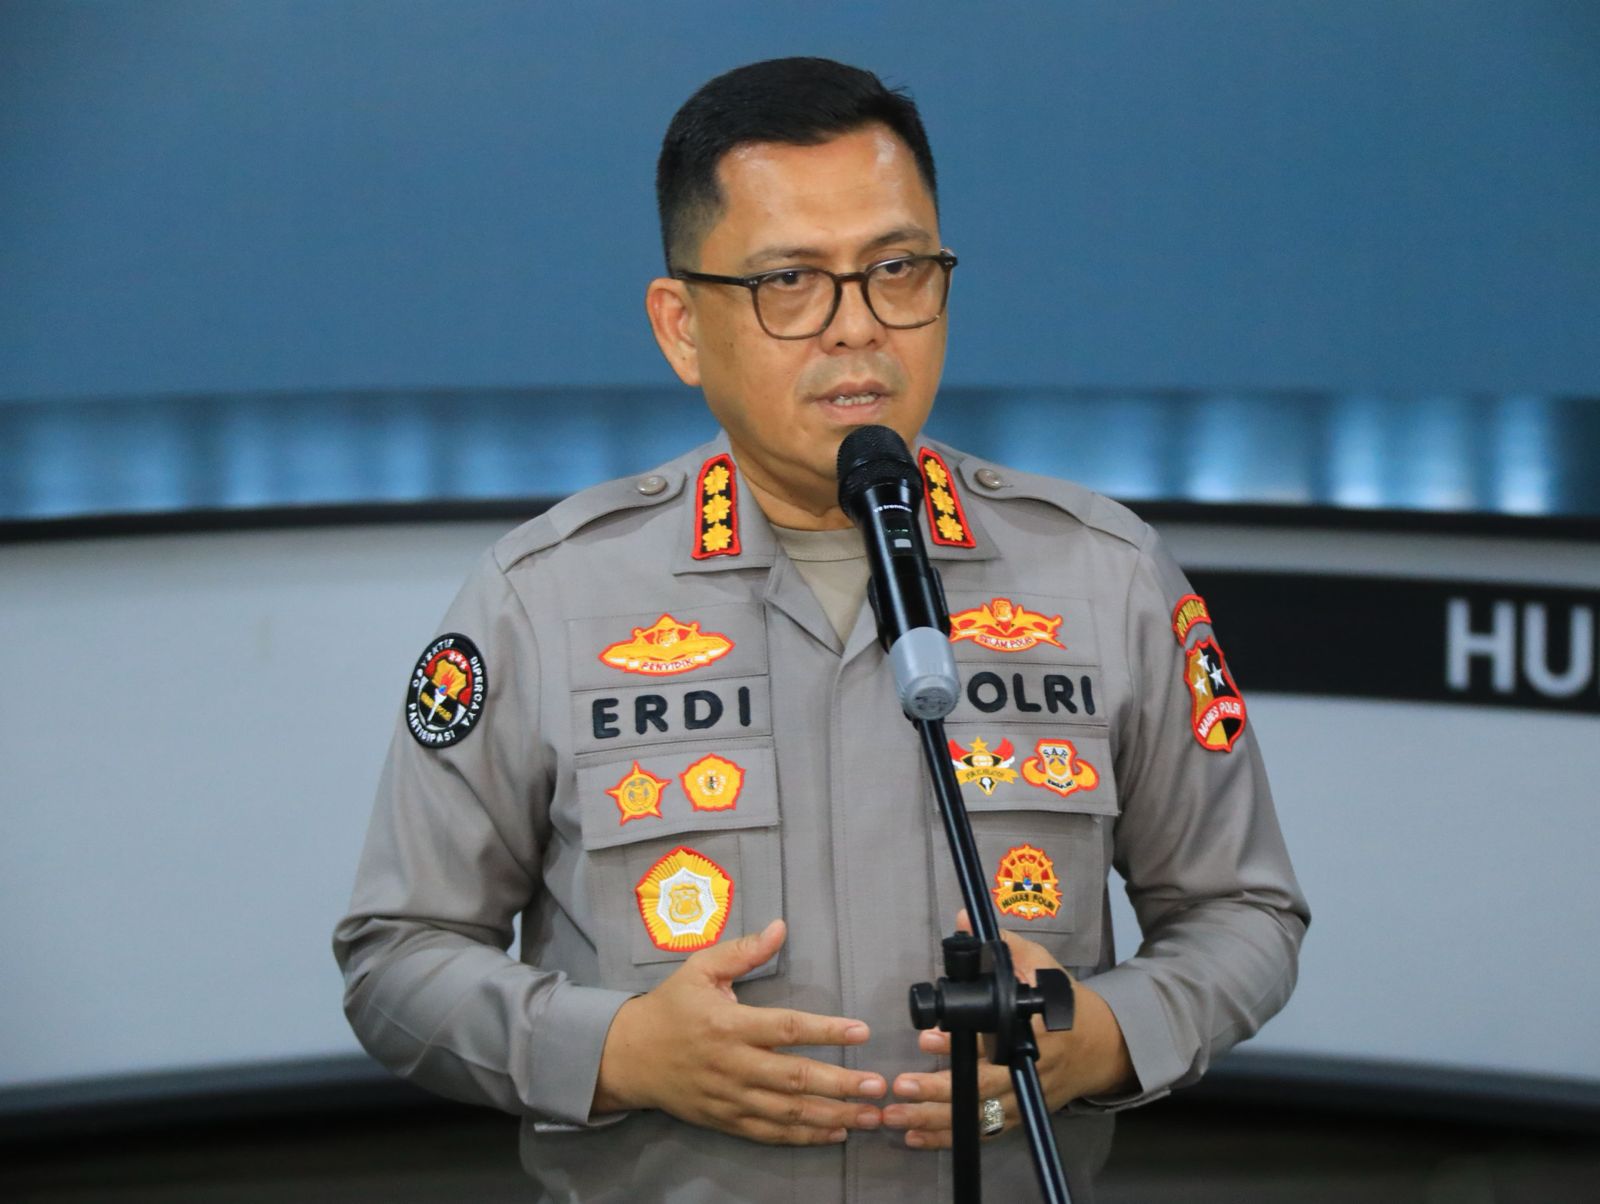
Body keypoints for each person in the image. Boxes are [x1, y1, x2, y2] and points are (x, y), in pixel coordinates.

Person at [334, 56, 1308, 1203]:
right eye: (789, 281)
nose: (857, 328)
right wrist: (617, 1051)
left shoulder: (1103, 574)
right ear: (681, 327)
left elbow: (1243, 912)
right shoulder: (544, 597)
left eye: (897, 269)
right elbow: (396, 955)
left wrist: (1103, 1035)